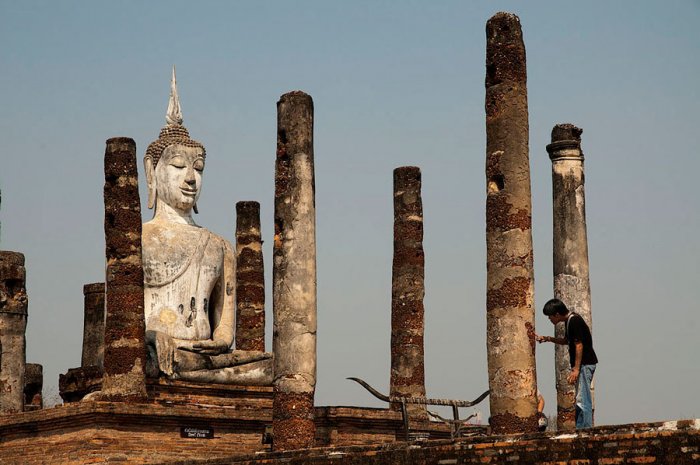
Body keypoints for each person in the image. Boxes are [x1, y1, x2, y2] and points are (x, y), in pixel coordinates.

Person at [141, 69, 272, 384]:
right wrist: (152, 337)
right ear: (151, 172)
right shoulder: (138, 239)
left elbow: (224, 327)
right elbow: (115, 326)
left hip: (204, 358)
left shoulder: (219, 245)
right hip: (156, 352)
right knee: (154, 358)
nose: (190, 178)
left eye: (198, 168)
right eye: (177, 166)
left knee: (272, 367)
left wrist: (220, 340)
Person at [534, 298, 597, 428]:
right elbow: (566, 341)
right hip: (582, 365)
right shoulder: (569, 321)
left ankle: (585, 430)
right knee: (580, 398)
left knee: (583, 399)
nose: (550, 319)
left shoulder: (574, 321)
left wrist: (576, 369)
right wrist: (548, 339)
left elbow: (579, 345)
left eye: (550, 317)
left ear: (557, 314)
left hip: (584, 364)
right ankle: (581, 428)